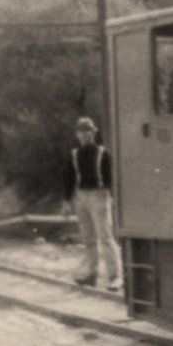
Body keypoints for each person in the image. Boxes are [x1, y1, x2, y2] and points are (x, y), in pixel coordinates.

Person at [63, 116, 124, 291]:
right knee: (88, 239)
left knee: (105, 238)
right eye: (80, 132)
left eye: (86, 131)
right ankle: (92, 274)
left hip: (99, 195)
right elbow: (69, 178)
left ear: (93, 133)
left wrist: (114, 197)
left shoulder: (103, 153)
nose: (83, 135)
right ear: (77, 134)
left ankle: (115, 276)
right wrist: (67, 201)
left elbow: (111, 178)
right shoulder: (74, 155)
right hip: (80, 197)